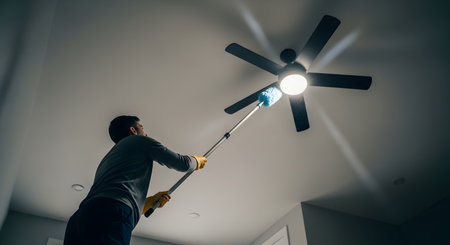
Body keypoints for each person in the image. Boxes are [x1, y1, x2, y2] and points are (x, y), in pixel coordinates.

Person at [64, 115, 207, 245]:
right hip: (111, 212)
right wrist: (196, 161)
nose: (145, 133)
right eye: (142, 128)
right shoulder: (139, 140)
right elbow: (183, 164)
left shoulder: (109, 158)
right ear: (133, 130)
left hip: (80, 218)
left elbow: (111, 198)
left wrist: (149, 202)